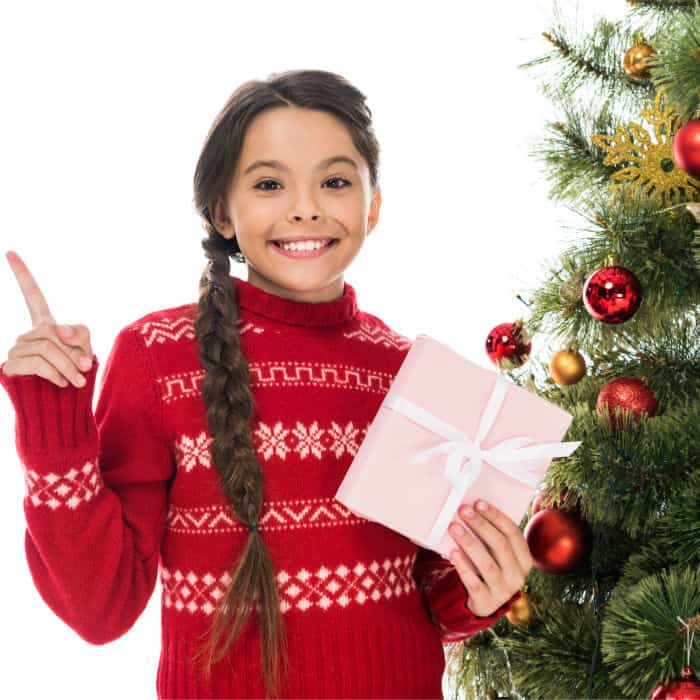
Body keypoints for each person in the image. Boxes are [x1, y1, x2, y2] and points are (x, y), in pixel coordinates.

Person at [0, 68, 530, 700]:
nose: (305, 207)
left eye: (334, 181)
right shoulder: (156, 357)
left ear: (374, 205)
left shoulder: (408, 370)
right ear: (223, 211)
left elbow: (427, 602)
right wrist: (54, 418)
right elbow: (99, 610)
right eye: (270, 183)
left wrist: (482, 590)